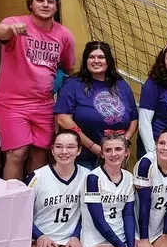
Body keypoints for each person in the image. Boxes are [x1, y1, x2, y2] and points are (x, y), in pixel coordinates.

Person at [0, 0, 76, 180]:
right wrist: (11, 30)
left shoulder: (64, 35)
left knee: (41, 155)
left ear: (56, 6)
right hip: (11, 103)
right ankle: (13, 205)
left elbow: (68, 68)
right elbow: (0, 32)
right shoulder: (15, 23)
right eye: (40, 0)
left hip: (44, 104)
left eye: (50, 1)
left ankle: (36, 205)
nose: (45, 5)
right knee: (17, 153)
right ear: (31, 4)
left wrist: (59, 85)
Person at [23, 130, 89, 247]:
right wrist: (38, 235)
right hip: (41, 239)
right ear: (52, 150)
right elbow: (21, 214)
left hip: (68, 240)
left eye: (70, 147)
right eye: (59, 147)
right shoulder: (37, 177)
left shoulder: (87, 177)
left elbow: (87, 214)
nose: (64, 152)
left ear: (79, 150)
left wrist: (75, 236)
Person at [55, 41, 138, 170]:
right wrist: (93, 147)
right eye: (91, 57)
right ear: (86, 60)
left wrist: (123, 142)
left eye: (101, 57)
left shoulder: (121, 84)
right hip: (85, 157)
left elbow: (133, 118)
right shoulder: (73, 84)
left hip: (115, 157)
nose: (96, 61)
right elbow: (63, 119)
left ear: (108, 61)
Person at [81, 132, 144, 247]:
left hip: (121, 242)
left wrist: (129, 246)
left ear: (126, 153)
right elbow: (98, 221)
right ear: (102, 153)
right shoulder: (93, 178)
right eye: (108, 150)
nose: (113, 154)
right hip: (97, 243)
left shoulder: (129, 178)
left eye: (118, 149)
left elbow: (128, 216)